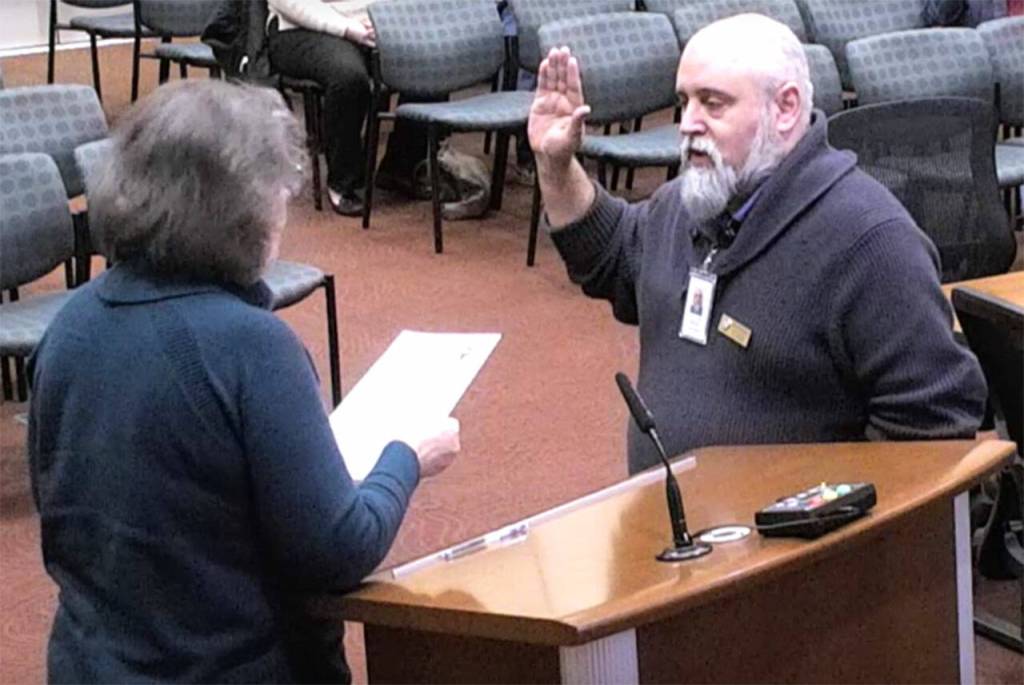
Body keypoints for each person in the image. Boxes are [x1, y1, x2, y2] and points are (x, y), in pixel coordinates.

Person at [28, 80, 460, 683]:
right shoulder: (252, 346)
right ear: (243, 212)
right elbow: (338, 550)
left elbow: (63, 511)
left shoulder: (69, 326)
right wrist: (406, 458)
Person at [528, 14, 987, 474]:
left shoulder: (870, 243)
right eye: (684, 102)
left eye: (713, 104)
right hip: (669, 528)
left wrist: (827, 524)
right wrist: (556, 165)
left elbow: (932, 433)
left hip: (796, 541)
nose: (688, 124)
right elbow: (610, 255)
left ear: (785, 109)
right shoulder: (688, 204)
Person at [266, 0, 435, 215]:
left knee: (431, 61)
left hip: (373, 21)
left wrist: (389, 18)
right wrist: (346, 27)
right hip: (299, 28)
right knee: (348, 76)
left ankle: (401, 166)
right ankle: (344, 181)